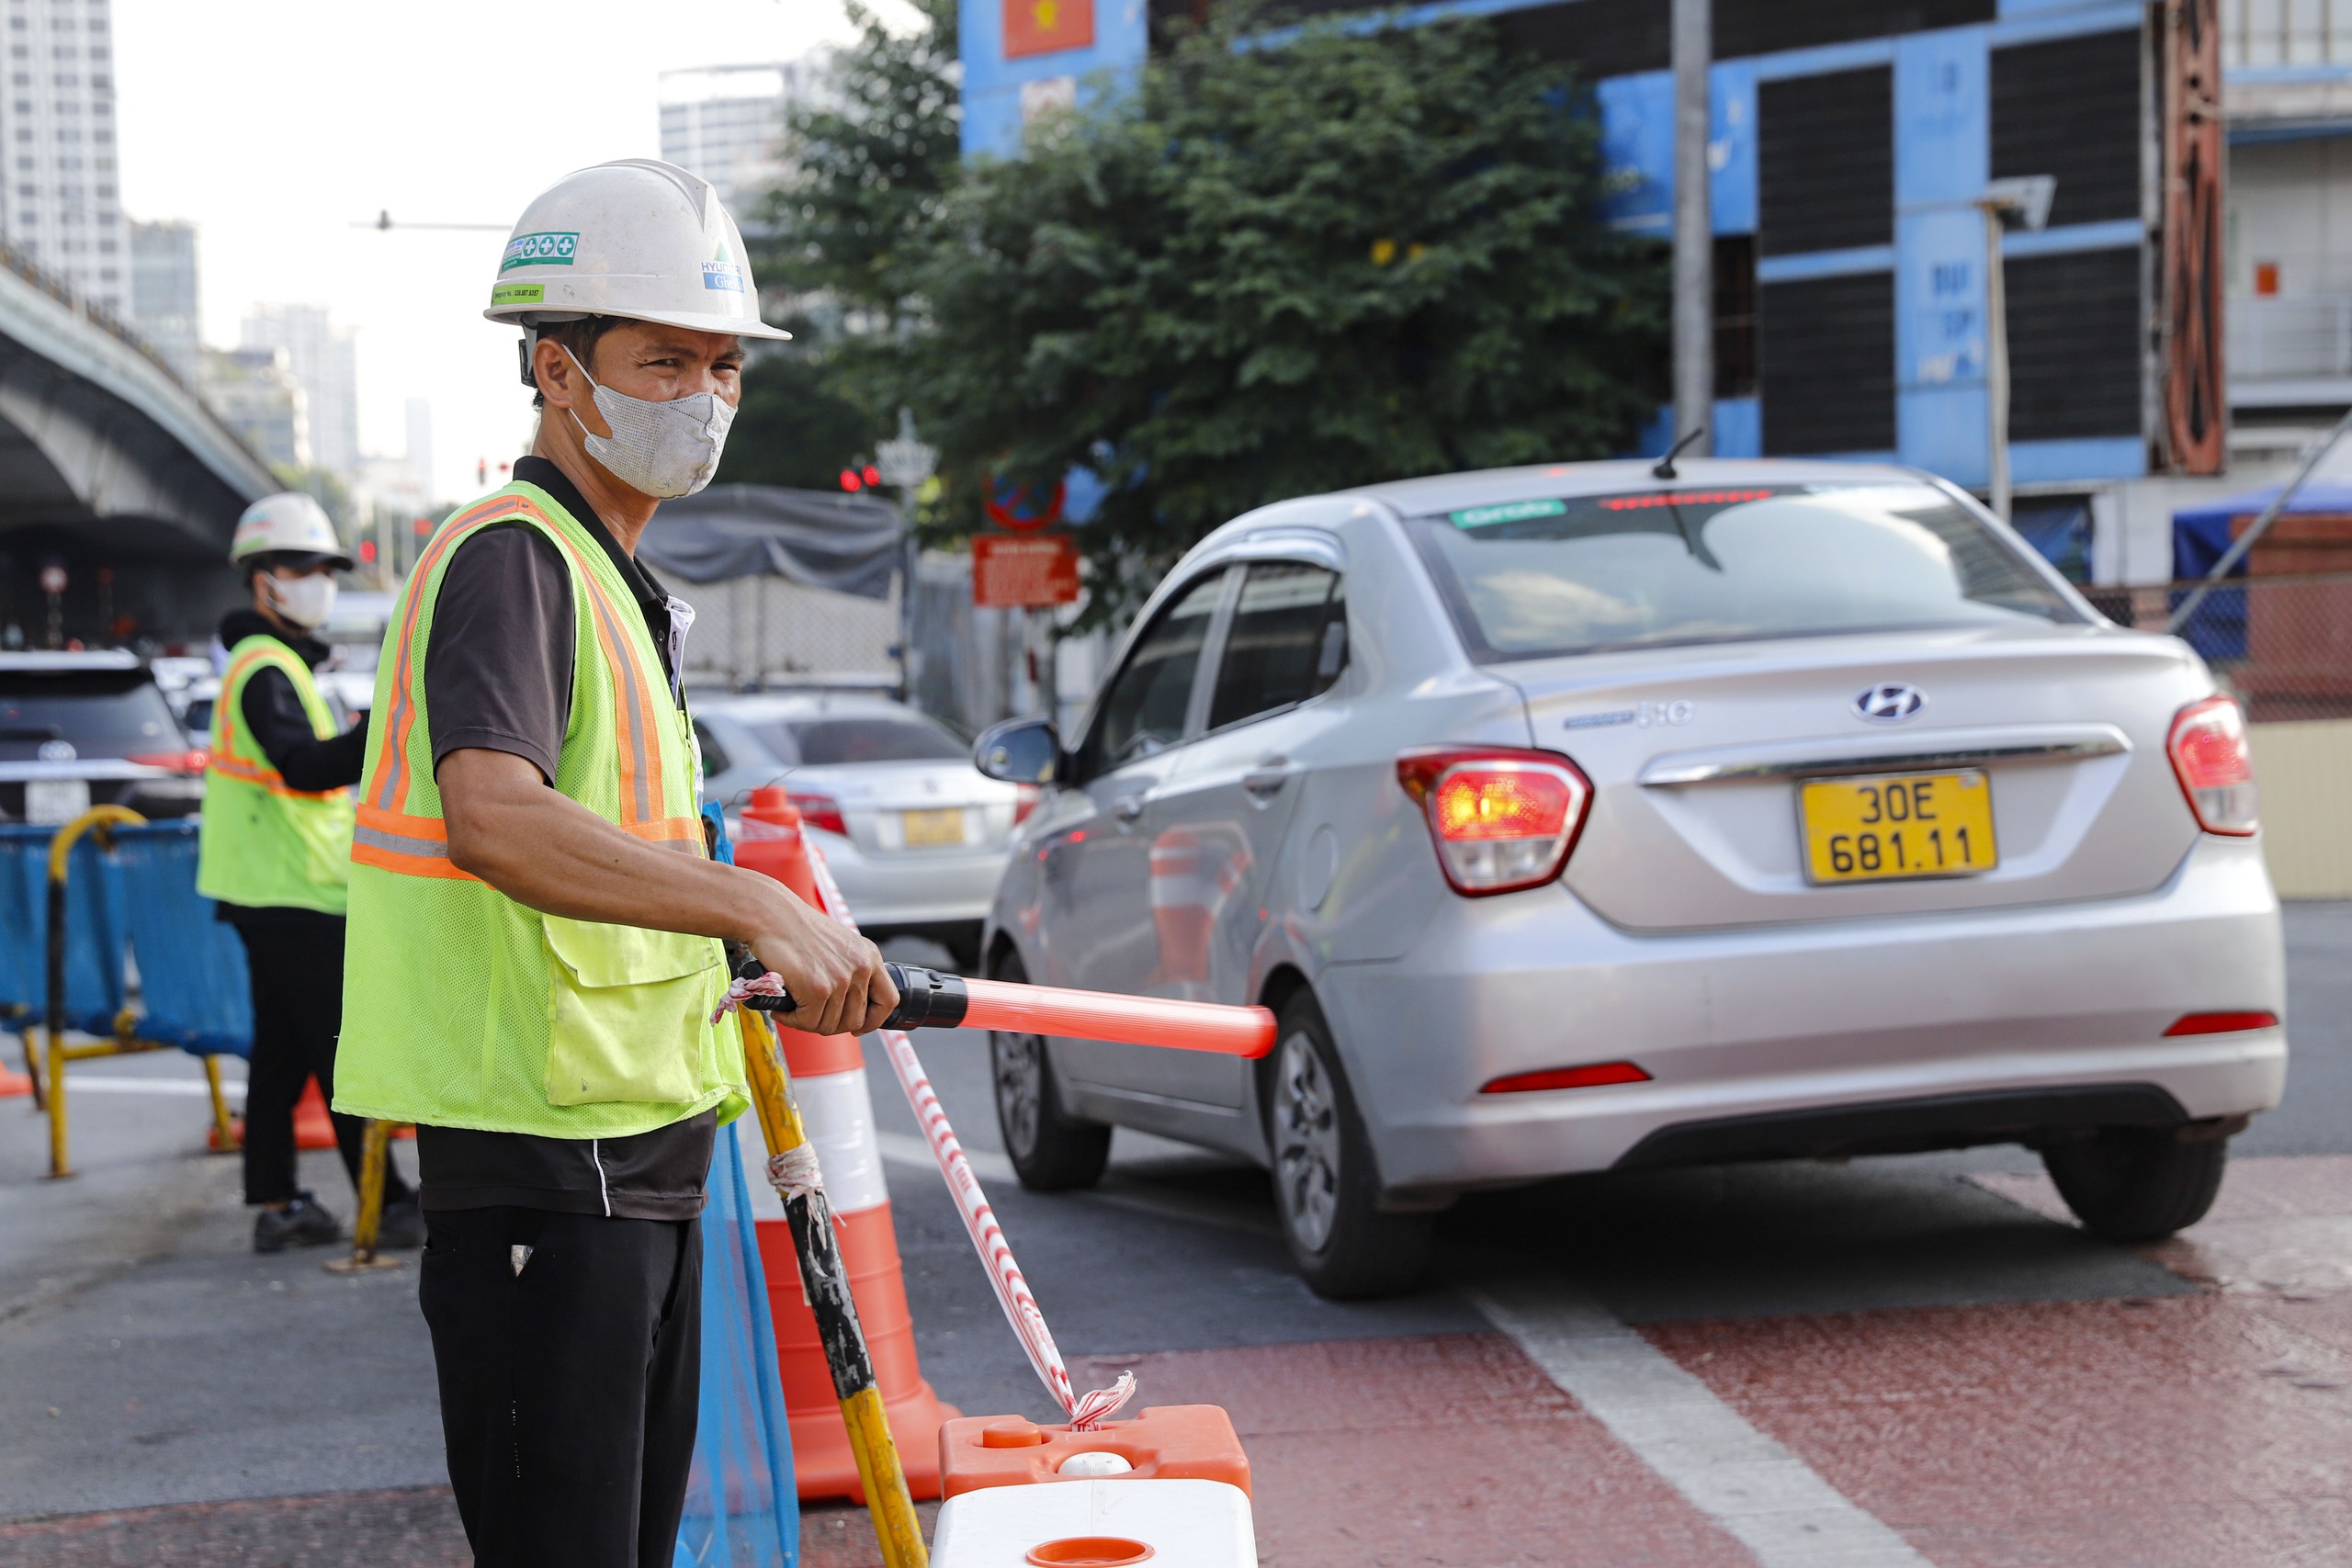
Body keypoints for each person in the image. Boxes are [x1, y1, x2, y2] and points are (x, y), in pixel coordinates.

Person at [333, 158, 898, 1568]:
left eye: (722, 363)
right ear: (557, 371)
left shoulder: (610, 576)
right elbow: (497, 815)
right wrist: (756, 901)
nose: (701, 393)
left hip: (627, 1146)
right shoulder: (513, 558)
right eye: (663, 359)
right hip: (539, 1151)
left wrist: (735, 944)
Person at [198, 492, 421, 1254]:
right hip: (292, 891)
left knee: (284, 1052)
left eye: (323, 567)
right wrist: (385, 728)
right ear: (261, 579)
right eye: (298, 567)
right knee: (339, 1049)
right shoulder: (264, 667)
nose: (314, 581)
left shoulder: (275, 663)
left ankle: (279, 1203)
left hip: (278, 888)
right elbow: (302, 768)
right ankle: (385, 1202)